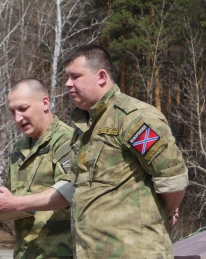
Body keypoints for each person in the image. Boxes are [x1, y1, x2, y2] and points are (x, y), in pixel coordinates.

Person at [63, 44, 188, 258]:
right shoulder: (85, 127)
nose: (68, 84)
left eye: (75, 76)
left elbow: (172, 179)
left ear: (101, 77)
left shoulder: (132, 117)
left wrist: (161, 213)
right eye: (67, 77)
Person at [0, 78, 75, 259]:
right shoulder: (20, 148)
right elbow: (20, 202)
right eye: (12, 112)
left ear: (45, 103)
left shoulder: (67, 141)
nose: (17, 118)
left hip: (59, 253)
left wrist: (15, 203)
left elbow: (69, 193)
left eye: (23, 109)